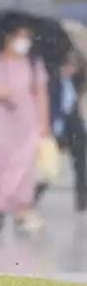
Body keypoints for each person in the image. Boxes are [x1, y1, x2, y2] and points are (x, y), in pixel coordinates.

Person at [0, 20, 50, 235]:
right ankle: (0, 206)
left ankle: (14, 209)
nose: (24, 42)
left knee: (24, 167)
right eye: (21, 36)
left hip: (28, 122)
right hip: (0, 121)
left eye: (28, 37)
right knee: (1, 165)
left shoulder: (33, 64)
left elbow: (41, 94)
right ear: (8, 38)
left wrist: (44, 122)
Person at [50, 53, 87, 212]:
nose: (72, 69)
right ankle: (33, 194)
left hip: (74, 124)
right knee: (50, 166)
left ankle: (82, 199)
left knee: (80, 163)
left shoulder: (75, 81)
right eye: (70, 66)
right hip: (59, 125)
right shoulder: (53, 82)